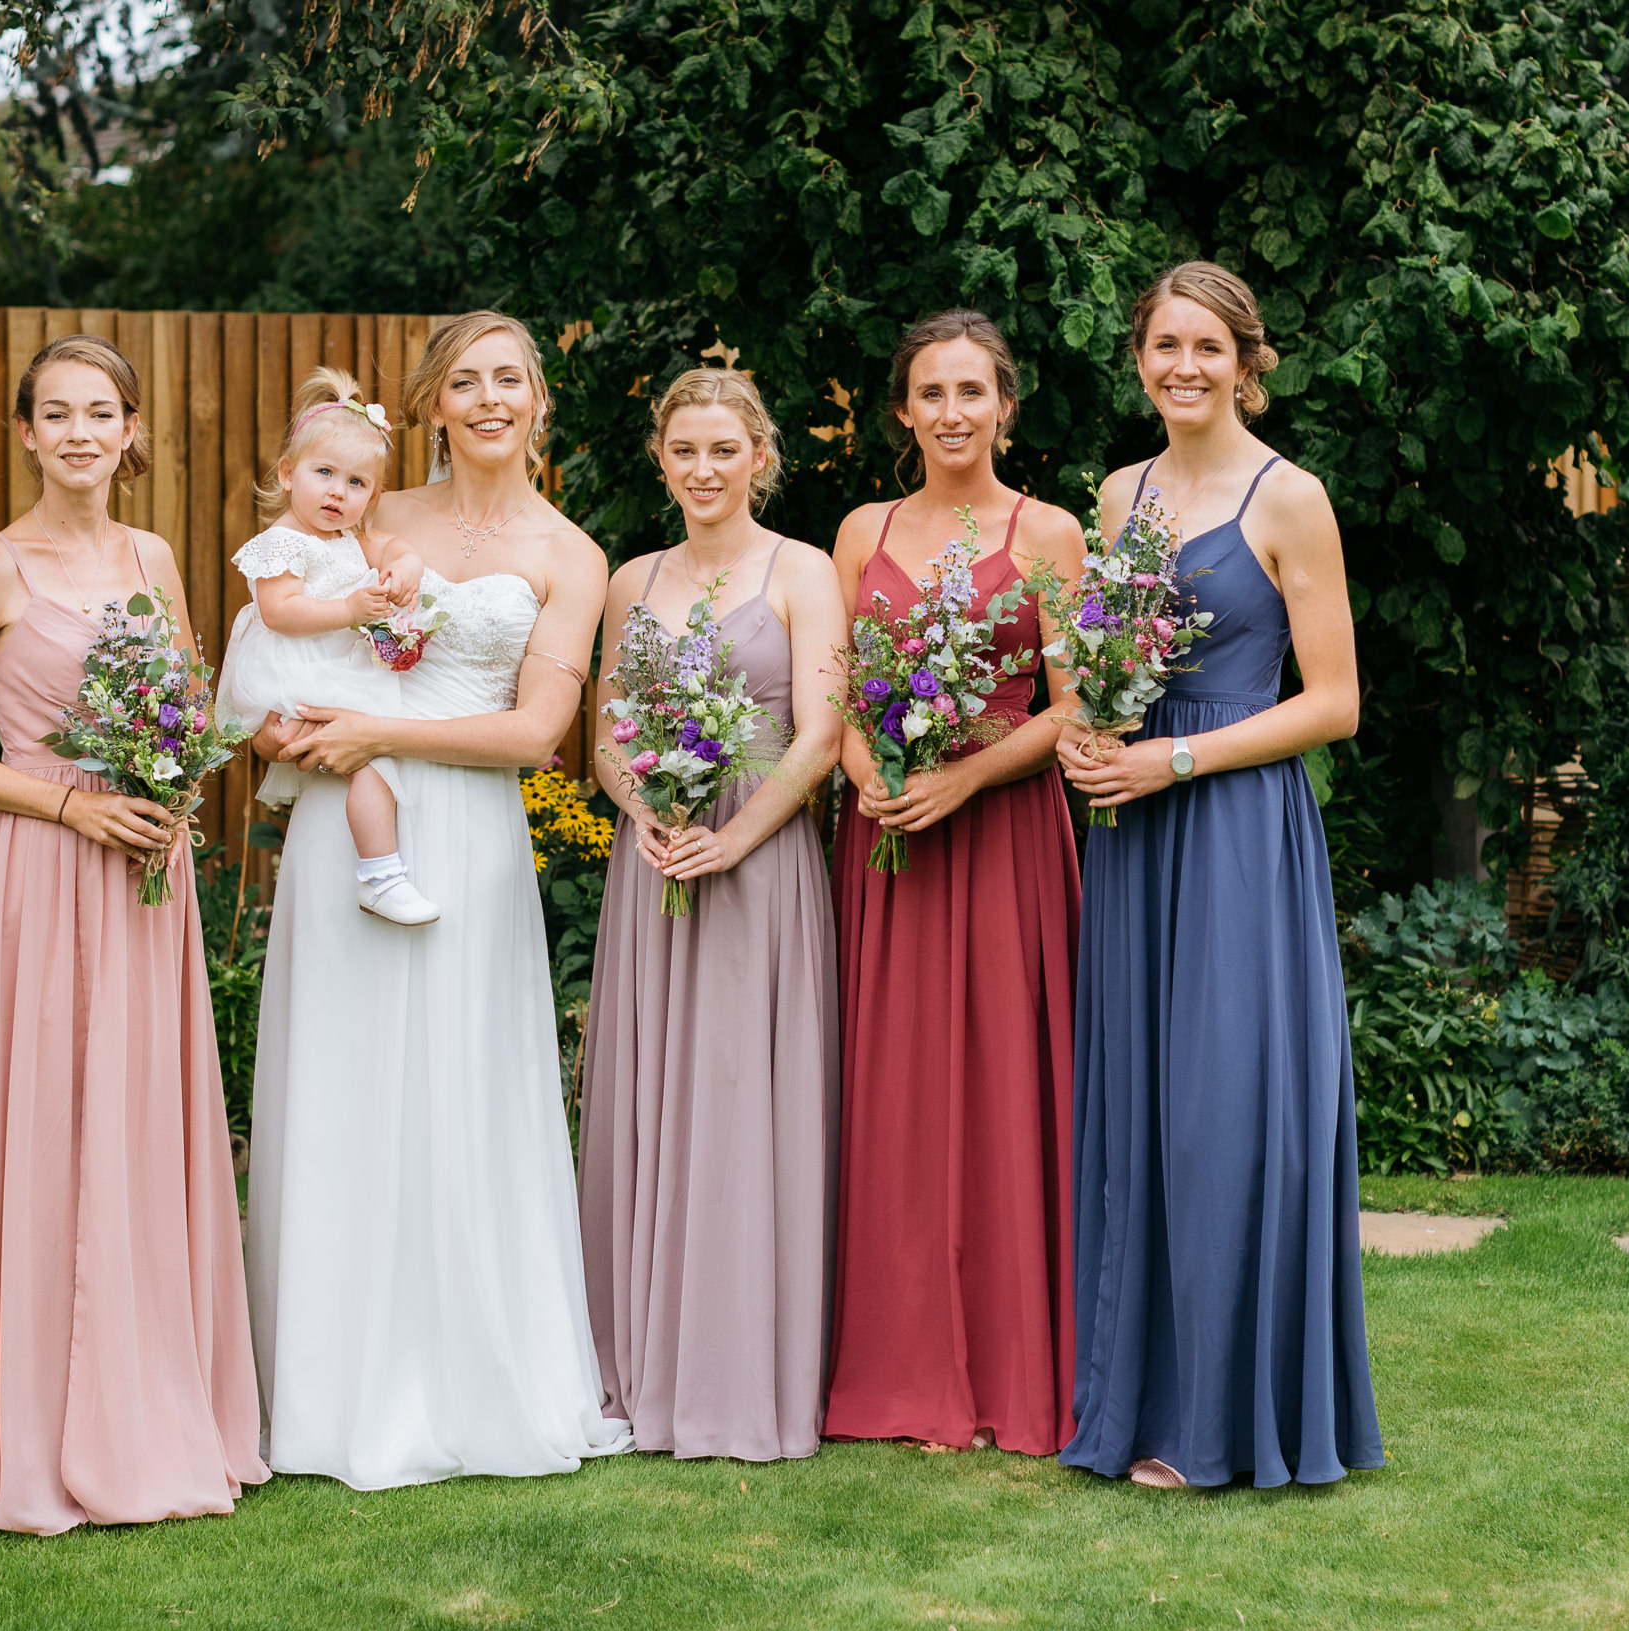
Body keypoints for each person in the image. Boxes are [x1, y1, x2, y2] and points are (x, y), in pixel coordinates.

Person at [241, 310, 634, 1489]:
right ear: (431, 404)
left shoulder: (571, 553)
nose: (488, 398)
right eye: (464, 381)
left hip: (464, 828)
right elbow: (285, 643)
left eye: (509, 378)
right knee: (344, 1075)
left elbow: (536, 729)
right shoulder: (369, 511)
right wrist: (281, 721)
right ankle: (325, 1387)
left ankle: (479, 1374)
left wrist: (380, 727)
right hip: (345, 814)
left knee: (465, 1080)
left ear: (539, 401)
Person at [0, 334, 268, 1534]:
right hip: (43, 872)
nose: (79, 435)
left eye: (99, 413)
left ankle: (150, 1407)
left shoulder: (154, 556)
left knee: (140, 1133)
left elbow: (189, 707)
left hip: (145, 876)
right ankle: (35, 1426)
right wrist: (68, 801)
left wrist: (169, 791)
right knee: (44, 1127)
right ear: (25, 433)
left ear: (129, 428)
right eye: (55, 415)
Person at [1055, 261, 1383, 1490]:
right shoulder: (1119, 491)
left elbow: (1338, 704)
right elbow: (1107, 661)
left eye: (1204, 348)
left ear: (1247, 362)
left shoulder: (1288, 498)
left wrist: (1174, 757)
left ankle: (1223, 1423)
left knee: (1222, 1115)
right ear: (1138, 359)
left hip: (1235, 824)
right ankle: (1136, 1404)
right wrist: (1090, 727)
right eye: (1161, 346)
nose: (1180, 367)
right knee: (1139, 1113)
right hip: (1135, 832)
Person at [823, 310, 1086, 1457]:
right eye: (930, 393)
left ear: (1006, 406)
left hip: (1003, 833)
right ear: (901, 413)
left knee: (999, 1088)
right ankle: (897, 1361)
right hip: (887, 840)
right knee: (892, 1096)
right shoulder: (859, 528)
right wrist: (873, 769)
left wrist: (967, 776)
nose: (950, 413)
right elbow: (832, 691)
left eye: (971, 391)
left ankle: (1008, 1365)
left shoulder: (1048, 534)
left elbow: (1076, 703)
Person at [576, 369, 848, 1461]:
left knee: (745, 1097)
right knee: (649, 1102)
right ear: (660, 458)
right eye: (684, 451)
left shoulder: (803, 570)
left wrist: (736, 838)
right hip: (656, 865)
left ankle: (746, 1371)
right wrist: (644, 809)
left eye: (722, 451)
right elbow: (602, 733)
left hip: (761, 864)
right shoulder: (629, 580)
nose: (702, 469)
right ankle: (635, 1361)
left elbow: (822, 735)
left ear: (758, 457)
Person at [219, 366, 437, 925]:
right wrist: (347, 610)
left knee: (370, 758)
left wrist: (405, 567)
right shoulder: (280, 543)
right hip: (295, 668)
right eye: (324, 473)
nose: (338, 492)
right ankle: (381, 875)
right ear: (289, 473)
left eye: (357, 483)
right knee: (368, 761)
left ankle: (378, 870)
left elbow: (394, 546)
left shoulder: (350, 538)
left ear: (373, 495)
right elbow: (280, 612)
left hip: (334, 669)